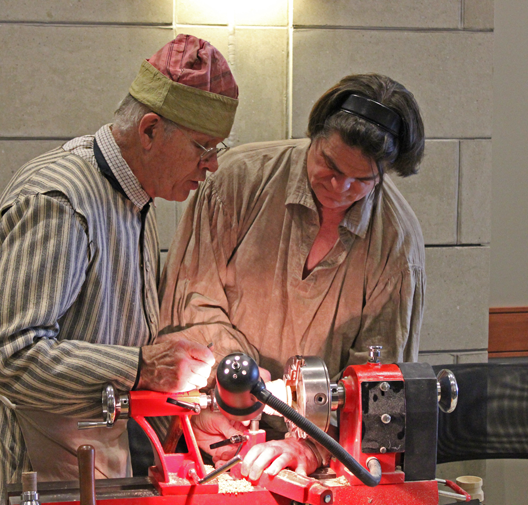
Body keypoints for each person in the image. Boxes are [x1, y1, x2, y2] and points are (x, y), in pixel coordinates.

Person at [0, 34, 239, 505]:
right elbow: (3, 353)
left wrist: (187, 411)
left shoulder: (136, 198)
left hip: (88, 463)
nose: (213, 166)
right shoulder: (61, 202)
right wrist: (142, 366)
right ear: (148, 131)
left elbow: (110, 353)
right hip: (26, 478)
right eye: (203, 148)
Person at [158, 73, 426, 481]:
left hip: (322, 460)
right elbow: (189, 302)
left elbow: (378, 381)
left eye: (362, 181)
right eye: (330, 166)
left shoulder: (397, 243)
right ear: (314, 135)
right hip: (212, 432)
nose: (341, 187)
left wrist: (311, 445)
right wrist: (236, 382)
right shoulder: (237, 182)